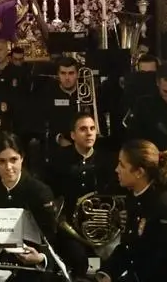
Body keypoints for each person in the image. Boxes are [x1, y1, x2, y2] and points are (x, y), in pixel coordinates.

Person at [96, 139, 167, 282]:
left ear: (139, 172)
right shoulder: (135, 198)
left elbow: (162, 267)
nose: (117, 169)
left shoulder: (165, 209)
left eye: (122, 165)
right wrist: (107, 273)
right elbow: (128, 247)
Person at [0, 132, 58, 279]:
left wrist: (41, 258)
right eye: (1, 161)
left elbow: (51, 237)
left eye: (13, 159)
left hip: (30, 265)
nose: (8, 167)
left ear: (22, 158)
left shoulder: (39, 191)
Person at [49, 113, 119, 277]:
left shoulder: (108, 160)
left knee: (100, 269)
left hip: (103, 232)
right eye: (83, 129)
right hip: (72, 231)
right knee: (81, 266)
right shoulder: (59, 160)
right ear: (72, 135)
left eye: (92, 129)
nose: (89, 133)